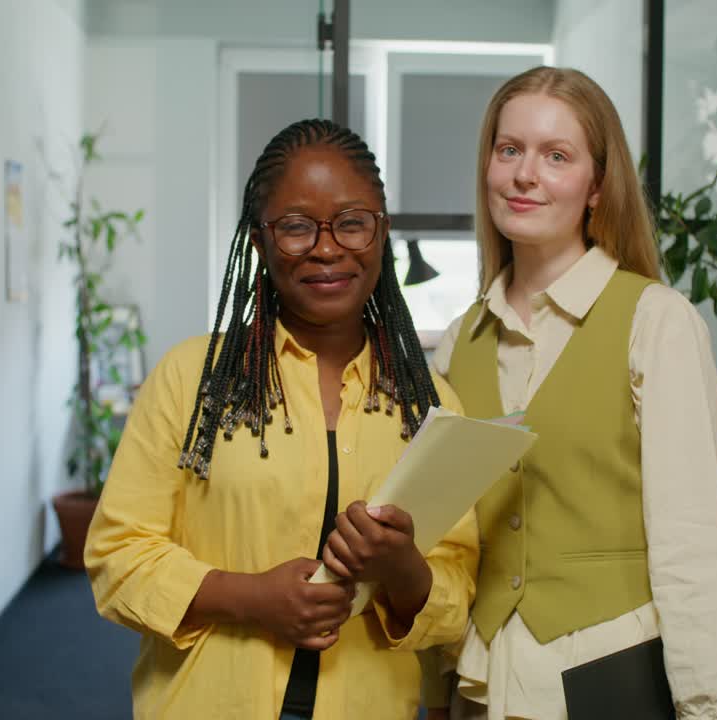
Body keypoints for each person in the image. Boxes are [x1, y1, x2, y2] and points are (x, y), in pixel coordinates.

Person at [85, 118, 478, 719]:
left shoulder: (430, 405)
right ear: (260, 240)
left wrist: (404, 572)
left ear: (382, 234)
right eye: (296, 227)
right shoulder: (191, 379)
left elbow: (456, 597)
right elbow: (118, 558)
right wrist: (249, 598)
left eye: (352, 222)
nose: (326, 247)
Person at [426, 66, 717, 719]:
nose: (525, 174)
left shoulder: (656, 322)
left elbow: (693, 542)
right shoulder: (460, 340)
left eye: (557, 156)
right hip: (482, 680)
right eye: (509, 149)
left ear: (597, 185)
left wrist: (707, 708)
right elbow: (447, 537)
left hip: (612, 673)